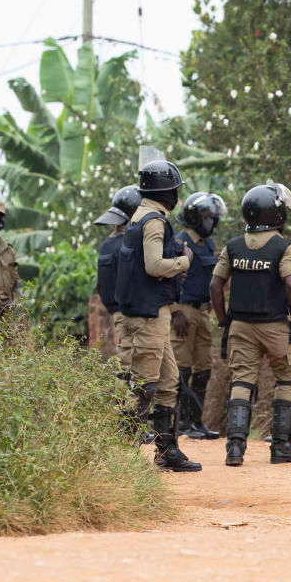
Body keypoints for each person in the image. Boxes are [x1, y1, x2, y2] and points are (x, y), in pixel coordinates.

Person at [209, 182, 291, 467]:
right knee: (287, 378)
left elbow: (215, 284)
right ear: (275, 213)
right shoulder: (283, 246)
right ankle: (281, 446)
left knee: (242, 381)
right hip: (275, 325)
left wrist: (223, 319)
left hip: (240, 325)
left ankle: (235, 448)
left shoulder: (233, 246)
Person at [114, 159, 201, 472]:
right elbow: (153, 266)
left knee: (167, 382)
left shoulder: (140, 215)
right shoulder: (153, 221)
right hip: (149, 315)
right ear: (167, 191)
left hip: (150, 312)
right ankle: (121, 457)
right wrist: (183, 261)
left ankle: (167, 452)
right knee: (145, 386)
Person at [171, 192, 227, 441]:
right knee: (181, 369)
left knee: (204, 368)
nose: (211, 223)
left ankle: (196, 421)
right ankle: (179, 422)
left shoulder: (209, 244)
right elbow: (169, 276)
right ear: (195, 218)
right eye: (207, 218)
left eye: (213, 218)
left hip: (203, 312)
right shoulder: (179, 241)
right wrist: (173, 310)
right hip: (183, 311)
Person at [94, 185, 142, 379]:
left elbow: (100, 284)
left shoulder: (106, 244)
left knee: (126, 359)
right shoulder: (130, 243)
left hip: (115, 311)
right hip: (132, 312)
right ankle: (126, 407)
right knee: (131, 365)